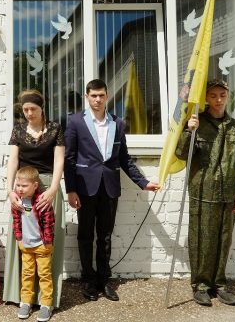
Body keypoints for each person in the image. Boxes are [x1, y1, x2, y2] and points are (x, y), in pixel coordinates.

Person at [64, 79, 159, 302]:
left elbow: (124, 159)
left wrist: (143, 182)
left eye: (101, 95)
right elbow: (69, 159)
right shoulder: (76, 122)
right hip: (84, 188)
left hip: (109, 188)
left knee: (105, 236)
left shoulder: (118, 123)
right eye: (93, 95)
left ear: (107, 96)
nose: (97, 99)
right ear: (87, 97)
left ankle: (104, 280)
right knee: (86, 235)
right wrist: (71, 190)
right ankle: (89, 280)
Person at [175, 78, 235, 307]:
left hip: (228, 194)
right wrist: (189, 132)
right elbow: (180, 153)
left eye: (222, 95)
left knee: (223, 240)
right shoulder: (197, 123)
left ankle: (219, 284)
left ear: (227, 97)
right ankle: (200, 285)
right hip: (202, 191)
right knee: (201, 241)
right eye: (213, 96)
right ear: (206, 98)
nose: (218, 100)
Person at [3, 89, 66, 310]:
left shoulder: (56, 129)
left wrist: (54, 190)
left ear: (42, 108)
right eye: (26, 109)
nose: (29, 113)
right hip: (23, 186)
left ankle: (47, 299)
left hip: (48, 187)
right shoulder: (18, 130)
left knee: (48, 241)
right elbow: (13, 160)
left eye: (33, 109)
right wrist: (10, 189)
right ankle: (21, 296)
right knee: (24, 240)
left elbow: (59, 161)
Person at [12, 166, 56, 322]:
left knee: (44, 275)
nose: (20, 189)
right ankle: (26, 302)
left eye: (24, 186)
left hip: (42, 246)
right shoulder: (17, 201)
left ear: (35, 185)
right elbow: (16, 221)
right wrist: (18, 238)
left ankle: (46, 304)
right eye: (18, 185)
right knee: (27, 274)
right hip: (26, 246)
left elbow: (49, 223)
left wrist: (48, 242)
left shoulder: (42, 202)